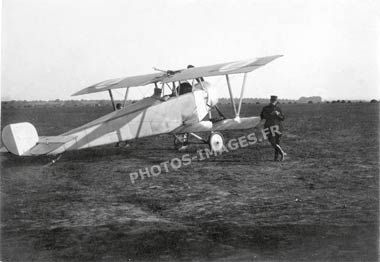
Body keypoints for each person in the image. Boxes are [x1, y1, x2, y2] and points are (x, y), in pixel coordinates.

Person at [260, 95, 286, 161]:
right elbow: (262, 116)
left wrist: (278, 115)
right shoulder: (266, 108)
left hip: (278, 127)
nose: (273, 102)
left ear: (276, 101)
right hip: (268, 127)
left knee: (277, 142)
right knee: (272, 142)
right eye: (272, 100)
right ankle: (282, 153)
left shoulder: (278, 108)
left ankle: (276, 158)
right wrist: (271, 114)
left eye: (274, 101)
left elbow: (283, 118)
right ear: (270, 100)